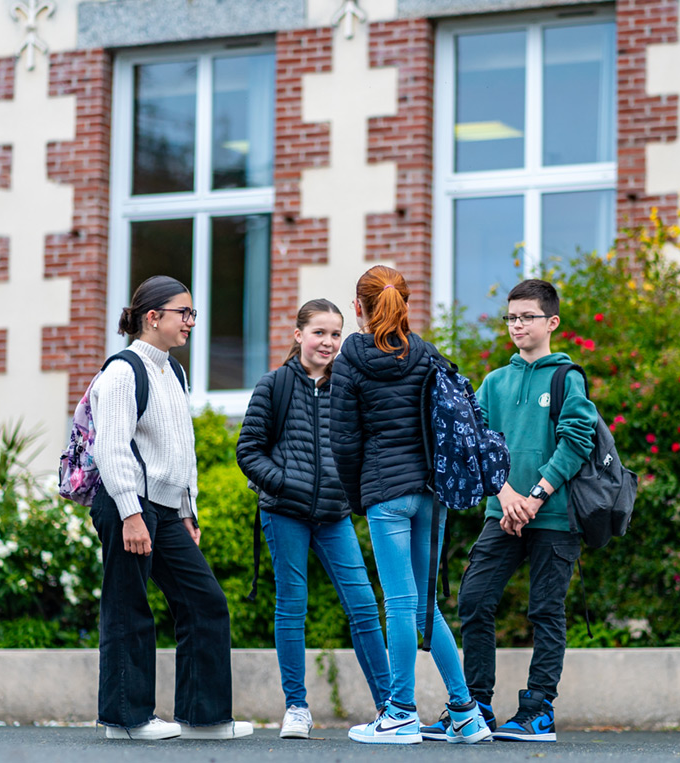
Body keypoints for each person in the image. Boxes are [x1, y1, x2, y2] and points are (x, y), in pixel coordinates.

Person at [421, 278, 596, 744]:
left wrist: (535, 495)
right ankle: (475, 706)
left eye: (527, 317)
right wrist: (507, 499)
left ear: (551, 322)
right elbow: (474, 445)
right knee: (475, 600)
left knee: (545, 611)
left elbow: (578, 440)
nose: (517, 325)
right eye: (512, 317)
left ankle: (538, 712)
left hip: (555, 516)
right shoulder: (495, 382)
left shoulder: (566, 378)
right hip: (502, 515)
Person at [329, 265, 491, 746]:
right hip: (430, 495)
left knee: (399, 604)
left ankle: (400, 711)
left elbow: (343, 441)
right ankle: (466, 713)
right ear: (404, 304)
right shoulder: (426, 355)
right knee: (425, 607)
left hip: (387, 494)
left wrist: (361, 497)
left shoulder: (351, 359)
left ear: (359, 307)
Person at [89, 275, 253, 741]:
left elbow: (183, 449)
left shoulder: (173, 371)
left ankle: (204, 718)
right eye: (185, 313)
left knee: (205, 601)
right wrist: (130, 512)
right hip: (130, 504)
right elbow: (112, 447)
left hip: (163, 507)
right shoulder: (123, 371)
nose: (191, 322)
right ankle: (126, 719)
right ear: (152, 316)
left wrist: (187, 511)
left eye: (193, 314)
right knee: (129, 607)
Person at [236, 299, 392, 739]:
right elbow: (248, 450)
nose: (328, 342)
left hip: (335, 515)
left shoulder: (349, 386)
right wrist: (285, 484)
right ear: (298, 334)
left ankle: (390, 707)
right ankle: (297, 708)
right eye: (319, 332)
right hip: (284, 512)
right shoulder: (274, 385)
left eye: (336, 333)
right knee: (292, 606)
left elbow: (365, 446)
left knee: (362, 605)